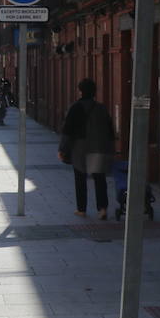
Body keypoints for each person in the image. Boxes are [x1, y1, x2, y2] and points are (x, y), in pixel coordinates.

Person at [58, 78, 116, 220]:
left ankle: (81, 209)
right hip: (99, 146)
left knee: (80, 178)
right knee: (99, 178)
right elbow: (110, 130)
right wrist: (110, 148)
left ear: (80, 91)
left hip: (81, 148)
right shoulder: (101, 108)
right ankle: (102, 209)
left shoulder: (75, 107)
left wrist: (62, 149)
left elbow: (68, 130)